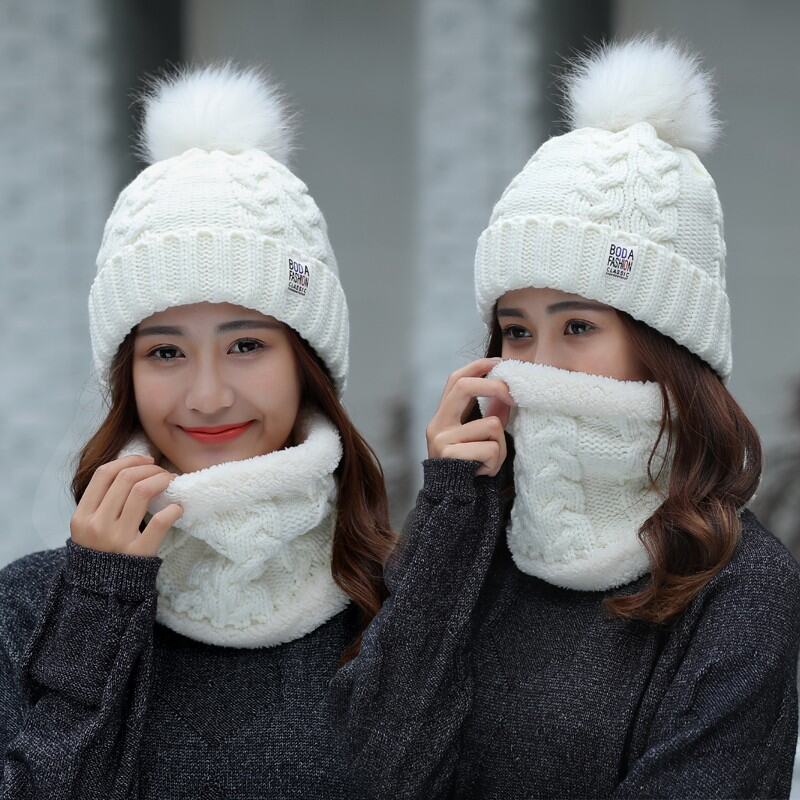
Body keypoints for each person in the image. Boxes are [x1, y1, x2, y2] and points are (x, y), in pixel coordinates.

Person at [328, 36, 800, 798]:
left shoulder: (741, 584)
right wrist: (448, 517)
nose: (537, 367)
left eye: (577, 327)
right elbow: (365, 775)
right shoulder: (468, 539)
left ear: (665, 346)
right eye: (517, 332)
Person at [0, 63, 394, 799]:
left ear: (305, 364)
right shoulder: (31, 607)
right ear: (127, 375)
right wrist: (99, 607)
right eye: (166, 352)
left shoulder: (398, 602)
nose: (208, 397)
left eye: (246, 345)